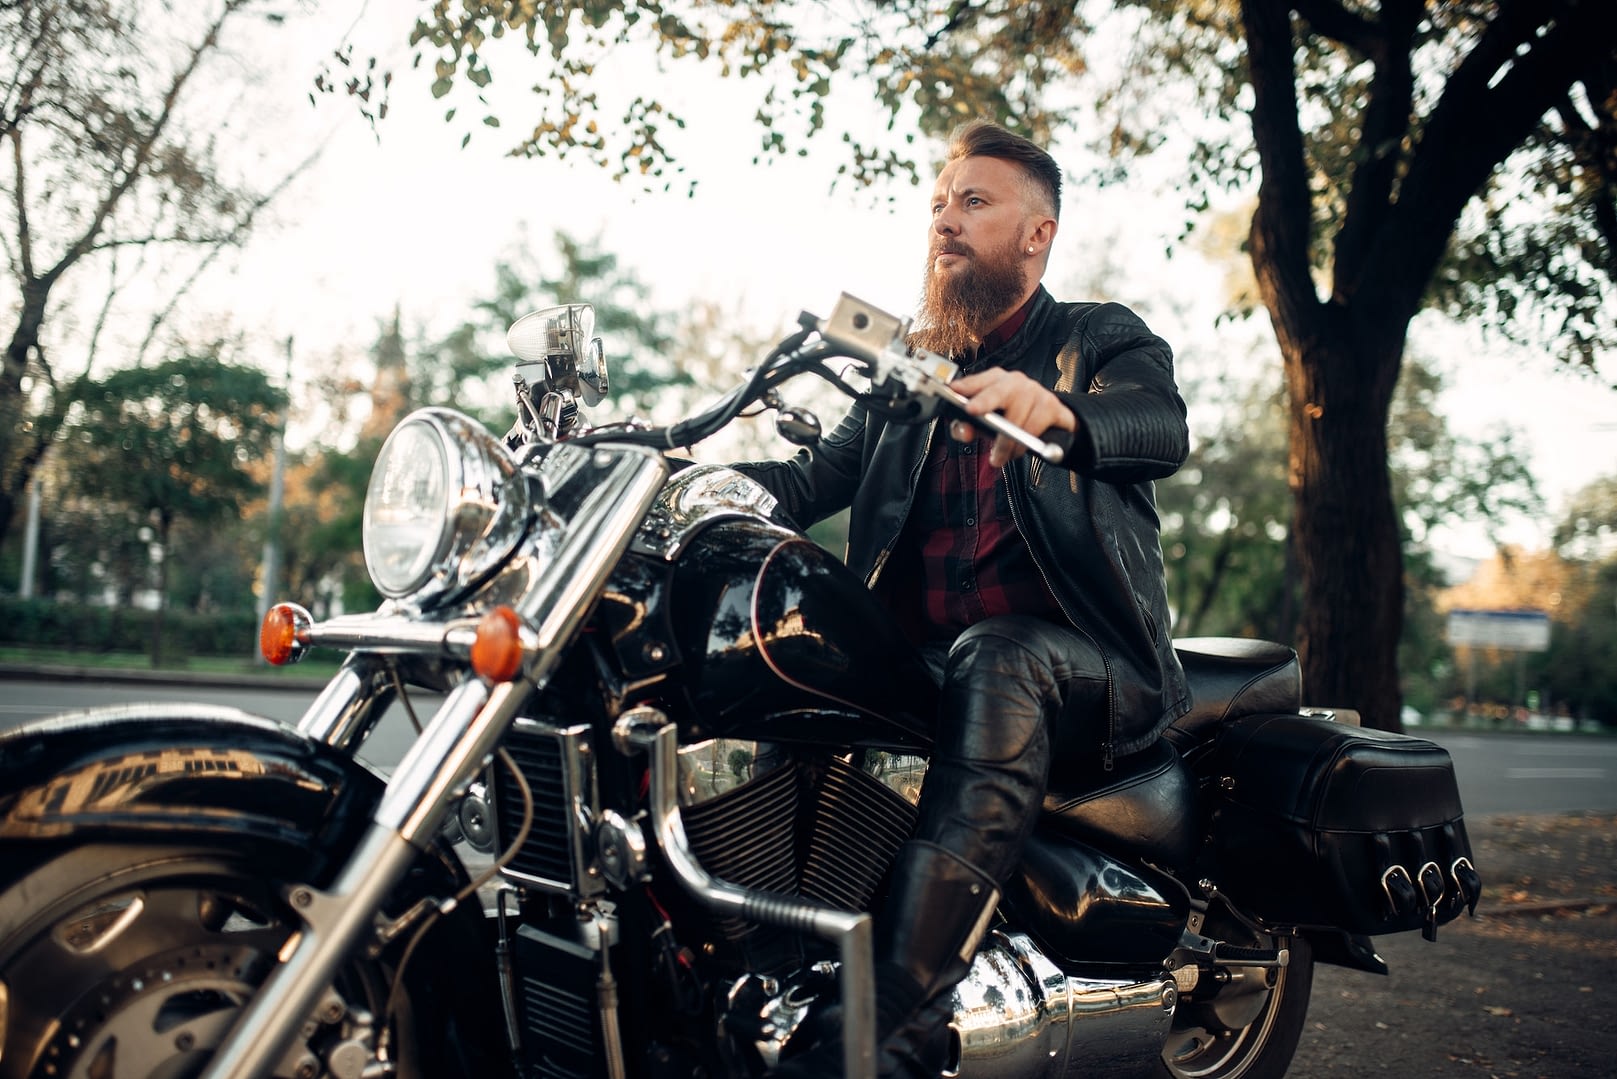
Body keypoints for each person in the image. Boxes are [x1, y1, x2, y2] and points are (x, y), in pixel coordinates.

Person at [739, 119, 1191, 1077]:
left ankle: (890, 1022)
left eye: (973, 202)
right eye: (939, 203)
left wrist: (1064, 415)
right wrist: (665, 465)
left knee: (998, 649)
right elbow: (807, 481)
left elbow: (1158, 423)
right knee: (771, 653)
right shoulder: (914, 371)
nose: (944, 220)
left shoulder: (1095, 338)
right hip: (932, 666)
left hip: (1087, 667)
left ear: (1036, 235)